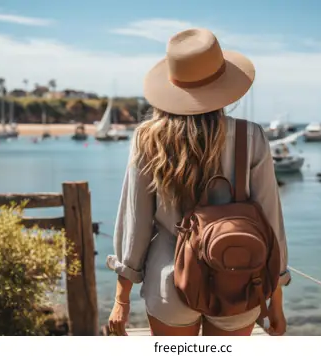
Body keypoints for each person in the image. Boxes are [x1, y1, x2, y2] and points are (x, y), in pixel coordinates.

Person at [106, 28, 290, 337]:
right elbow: (271, 222)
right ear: (224, 86)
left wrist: (121, 299)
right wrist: (276, 299)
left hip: (170, 282)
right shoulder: (251, 137)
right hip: (239, 277)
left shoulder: (149, 139)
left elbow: (135, 223)